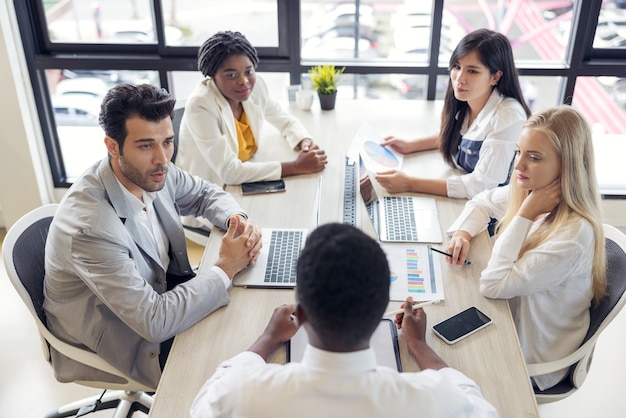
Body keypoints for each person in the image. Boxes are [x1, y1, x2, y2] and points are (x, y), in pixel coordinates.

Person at [43, 83, 263, 389]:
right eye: (146, 145)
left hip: (158, 295)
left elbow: (205, 193)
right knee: (241, 377)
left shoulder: (153, 169)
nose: (162, 158)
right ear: (113, 146)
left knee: (256, 322)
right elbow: (154, 321)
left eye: (168, 142)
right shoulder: (90, 228)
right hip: (126, 337)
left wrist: (235, 221)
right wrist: (225, 266)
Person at [190, 223, 499, 417]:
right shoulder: (436, 402)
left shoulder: (241, 395)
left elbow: (209, 397)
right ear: (382, 312)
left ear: (302, 316)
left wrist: (268, 338)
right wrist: (418, 345)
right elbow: (471, 397)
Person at [445, 106, 606, 391]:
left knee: (434, 369)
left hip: (530, 360)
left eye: (534, 158)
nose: (518, 166)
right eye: (519, 152)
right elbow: (482, 201)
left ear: (566, 165)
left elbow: (493, 285)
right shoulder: (536, 191)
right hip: (507, 318)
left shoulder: (573, 235)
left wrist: (524, 215)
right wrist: (463, 232)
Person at [375, 28, 531, 199]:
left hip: (496, 210)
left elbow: (480, 186)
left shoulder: (508, 116)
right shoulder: (467, 101)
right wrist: (410, 145)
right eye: (457, 67)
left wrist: (409, 183)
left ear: (495, 77)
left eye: (472, 71)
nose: (459, 78)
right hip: (468, 202)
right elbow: (457, 136)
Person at [176, 30, 327, 188]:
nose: (244, 81)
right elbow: (229, 172)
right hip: (209, 190)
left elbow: (284, 120)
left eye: (249, 71)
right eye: (232, 75)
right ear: (213, 75)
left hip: (245, 175)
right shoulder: (201, 106)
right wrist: (296, 166)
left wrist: (304, 140)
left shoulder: (256, 86)